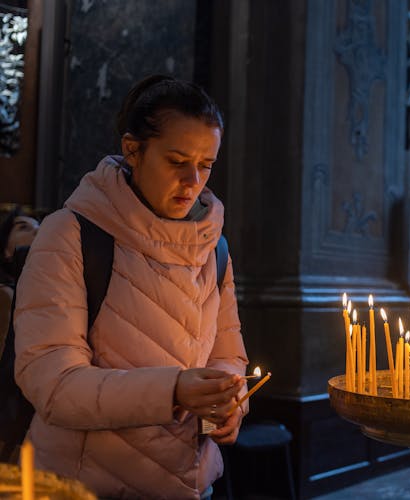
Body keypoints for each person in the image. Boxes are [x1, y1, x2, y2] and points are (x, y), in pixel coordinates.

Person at [13, 75, 248, 499]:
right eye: (177, 160)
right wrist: (173, 389)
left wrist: (226, 403)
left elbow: (226, 355)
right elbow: (51, 381)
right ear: (132, 150)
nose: (194, 179)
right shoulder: (71, 235)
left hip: (188, 484)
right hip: (79, 485)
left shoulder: (213, 246)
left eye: (206, 163)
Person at [0, 205, 39, 358]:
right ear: (5, 250)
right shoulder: (5, 294)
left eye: (40, 226)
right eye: (24, 228)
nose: (38, 230)